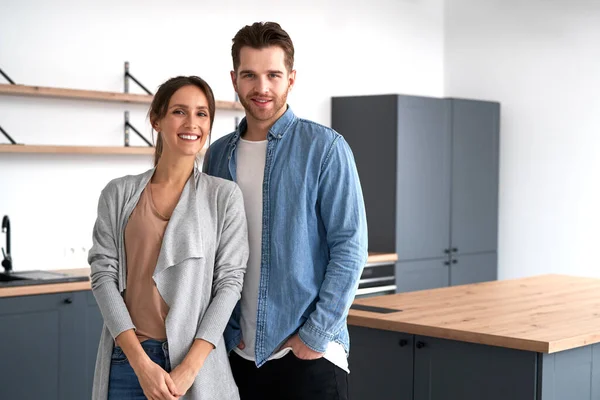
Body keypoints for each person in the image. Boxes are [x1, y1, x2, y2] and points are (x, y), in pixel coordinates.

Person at [203, 22, 368, 400]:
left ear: (291, 79)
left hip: (307, 358)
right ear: (234, 79)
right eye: (250, 75)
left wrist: (314, 336)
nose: (261, 88)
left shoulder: (325, 148)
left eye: (273, 75)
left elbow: (350, 248)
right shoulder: (218, 154)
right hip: (237, 356)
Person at [89, 76, 248, 400]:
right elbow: (103, 275)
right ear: (156, 120)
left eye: (202, 114)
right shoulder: (118, 193)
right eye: (179, 111)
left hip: (197, 366)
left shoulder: (223, 197)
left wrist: (190, 367)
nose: (192, 123)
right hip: (128, 362)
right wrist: (140, 363)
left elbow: (229, 284)